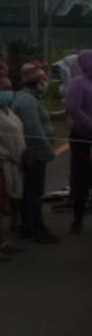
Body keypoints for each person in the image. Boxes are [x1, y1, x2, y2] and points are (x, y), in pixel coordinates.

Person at [12, 62, 59, 245]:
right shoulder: (28, 101)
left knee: (30, 192)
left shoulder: (29, 98)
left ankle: (28, 227)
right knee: (34, 193)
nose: (46, 84)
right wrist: (49, 152)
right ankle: (37, 229)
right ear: (36, 83)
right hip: (34, 153)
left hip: (33, 152)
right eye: (43, 81)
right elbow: (34, 131)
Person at [65, 49, 92, 234]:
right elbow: (74, 109)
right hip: (83, 138)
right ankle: (77, 219)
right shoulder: (78, 83)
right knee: (81, 178)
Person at [0, 76, 27, 260]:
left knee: (10, 205)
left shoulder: (7, 110)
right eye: (3, 89)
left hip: (14, 163)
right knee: (4, 207)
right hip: (4, 165)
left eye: (8, 89)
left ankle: (6, 243)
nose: (7, 93)